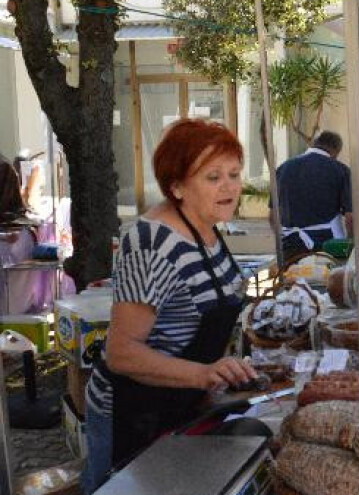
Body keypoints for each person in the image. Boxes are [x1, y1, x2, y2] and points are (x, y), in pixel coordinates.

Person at [81, 119, 258, 494]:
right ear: (176, 186)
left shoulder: (207, 227)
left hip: (181, 399)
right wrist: (203, 374)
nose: (229, 186)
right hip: (133, 410)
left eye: (233, 174)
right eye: (212, 177)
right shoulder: (151, 244)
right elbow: (122, 354)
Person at [273, 131, 353, 261]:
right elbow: (350, 218)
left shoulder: (283, 169)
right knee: (327, 280)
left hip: (290, 247)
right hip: (327, 247)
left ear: (314, 144)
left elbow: (272, 216)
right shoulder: (340, 170)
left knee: (292, 280)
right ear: (336, 151)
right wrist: (350, 245)